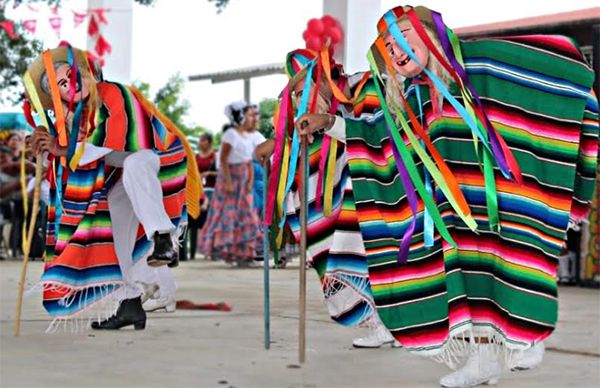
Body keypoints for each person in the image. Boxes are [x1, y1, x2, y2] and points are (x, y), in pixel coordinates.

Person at [297, 5, 598, 387]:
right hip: (455, 214)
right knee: (468, 282)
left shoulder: (477, 63)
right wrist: (328, 122)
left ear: (431, 35)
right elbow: (375, 137)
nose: (396, 49)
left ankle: (528, 336)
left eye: (404, 35)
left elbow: (543, 65)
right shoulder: (412, 100)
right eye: (388, 46)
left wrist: (574, 71)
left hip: (505, 200)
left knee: (517, 264)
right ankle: (483, 359)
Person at [25, 44, 201, 330]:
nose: (71, 85)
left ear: (86, 72)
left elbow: (118, 140)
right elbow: (66, 160)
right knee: (110, 227)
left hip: (159, 159)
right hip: (124, 178)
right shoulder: (73, 120)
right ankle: (130, 301)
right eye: (61, 86)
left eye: (71, 75)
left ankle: (163, 238)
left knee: (136, 163)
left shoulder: (115, 92)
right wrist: (42, 145)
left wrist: (63, 148)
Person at [262, 48, 398, 348]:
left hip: (389, 188)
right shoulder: (315, 108)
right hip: (356, 193)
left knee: (374, 249)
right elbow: (301, 143)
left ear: (324, 76)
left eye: (306, 86)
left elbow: (375, 136)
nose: (302, 97)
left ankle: (397, 320)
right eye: (296, 92)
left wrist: (327, 122)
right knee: (306, 204)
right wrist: (278, 144)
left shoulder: (368, 85)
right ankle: (380, 321)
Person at [198, 101, 262, 267]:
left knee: (247, 214)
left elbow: (249, 161)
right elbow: (224, 160)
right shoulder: (230, 135)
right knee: (229, 217)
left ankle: (247, 252)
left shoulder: (249, 136)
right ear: (240, 116)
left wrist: (249, 181)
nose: (250, 118)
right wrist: (227, 181)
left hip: (245, 176)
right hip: (230, 177)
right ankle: (228, 253)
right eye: (247, 114)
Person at [187, 132, 217, 261]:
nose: (200, 143)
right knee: (196, 222)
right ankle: (197, 249)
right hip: (198, 192)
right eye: (199, 140)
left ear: (209, 142)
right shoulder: (195, 157)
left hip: (212, 190)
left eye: (203, 140)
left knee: (210, 221)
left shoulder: (215, 156)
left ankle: (211, 250)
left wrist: (209, 173)